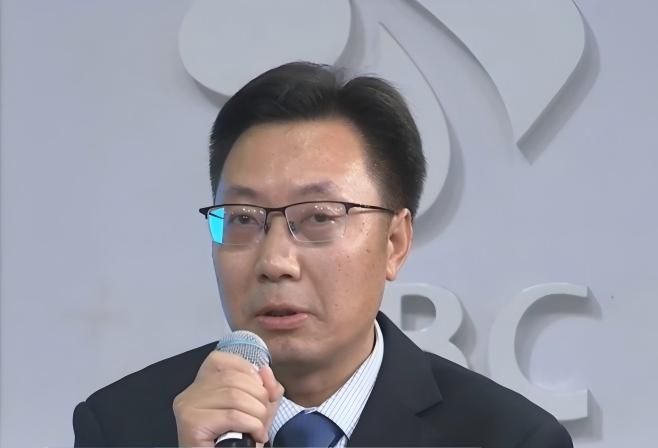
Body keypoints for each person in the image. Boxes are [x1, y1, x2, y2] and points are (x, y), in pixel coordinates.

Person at [73, 61, 573, 447]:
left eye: (318, 218)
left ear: (395, 243)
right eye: (243, 219)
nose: (275, 262)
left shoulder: (510, 437)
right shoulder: (121, 425)